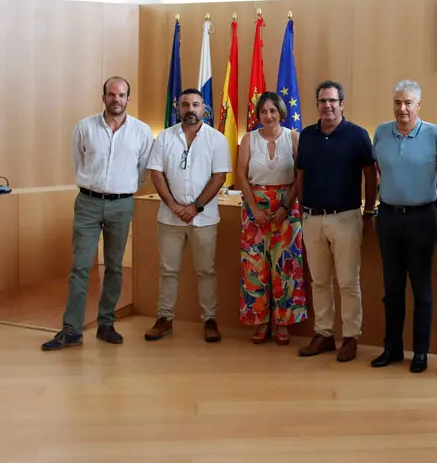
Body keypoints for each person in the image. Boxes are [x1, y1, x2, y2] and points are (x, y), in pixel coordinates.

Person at [42, 77, 154, 351]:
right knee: (81, 266)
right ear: (103, 97)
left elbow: (143, 171)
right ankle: (71, 329)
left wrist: (121, 189)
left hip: (122, 204)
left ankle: (106, 323)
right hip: (88, 202)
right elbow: (78, 162)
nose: (117, 99)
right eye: (112, 94)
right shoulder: (84, 127)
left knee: (114, 266)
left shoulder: (141, 132)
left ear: (129, 99)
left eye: (122, 95)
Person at [371, 80, 437, 373]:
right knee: (391, 288)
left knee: (422, 289)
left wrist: (432, 194)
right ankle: (392, 347)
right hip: (389, 217)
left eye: (408, 103)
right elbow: (376, 168)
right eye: (397, 103)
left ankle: (420, 352)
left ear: (419, 105)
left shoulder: (434, 134)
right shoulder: (381, 132)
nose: (402, 108)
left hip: (422, 218)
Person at [295, 80, 377, 363]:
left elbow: (371, 175)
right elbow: (301, 174)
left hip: (346, 218)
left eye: (332, 101)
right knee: (319, 281)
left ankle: (350, 337)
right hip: (312, 218)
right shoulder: (306, 135)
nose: (327, 105)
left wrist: (369, 212)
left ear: (342, 104)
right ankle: (324, 334)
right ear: (317, 105)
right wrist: (300, 209)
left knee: (347, 282)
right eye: (322, 101)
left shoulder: (357, 135)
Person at [144, 88, 232, 343]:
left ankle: (210, 320)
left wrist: (195, 207)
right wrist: (173, 205)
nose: (190, 109)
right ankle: (164, 319)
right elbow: (156, 174)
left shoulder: (216, 139)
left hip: (204, 219)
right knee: (168, 270)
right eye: (185, 105)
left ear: (204, 108)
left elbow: (220, 177)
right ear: (178, 108)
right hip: (169, 218)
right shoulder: (164, 138)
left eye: (195, 105)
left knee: (206, 270)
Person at [236, 91, 306, 345]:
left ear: (281, 113)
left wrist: (286, 206)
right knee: (255, 267)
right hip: (255, 210)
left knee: (286, 266)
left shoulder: (294, 137)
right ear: (258, 114)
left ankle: (283, 322)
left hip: (287, 208)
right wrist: (254, 208)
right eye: (263, 111)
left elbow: (300, 174)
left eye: (273, 111)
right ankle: (260, 321)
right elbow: (241, 175)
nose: (268, 115)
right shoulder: (248, 139)